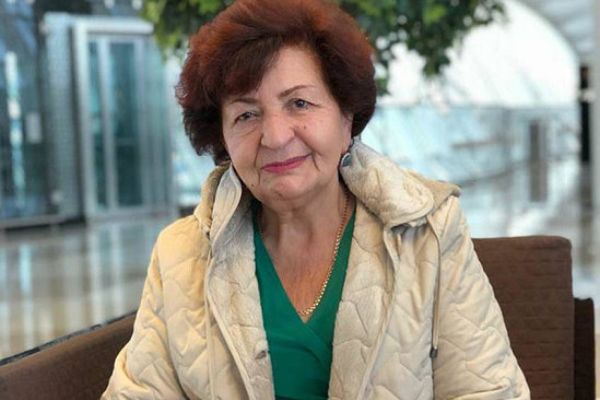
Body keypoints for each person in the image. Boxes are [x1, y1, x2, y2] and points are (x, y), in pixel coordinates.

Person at [102, 0, 530, 398]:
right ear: (223, 137)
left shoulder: (427, 235)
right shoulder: (181, 254)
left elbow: (489, 391)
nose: (275, 136)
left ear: (346, 118)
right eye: (246, 114)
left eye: (299, 103)